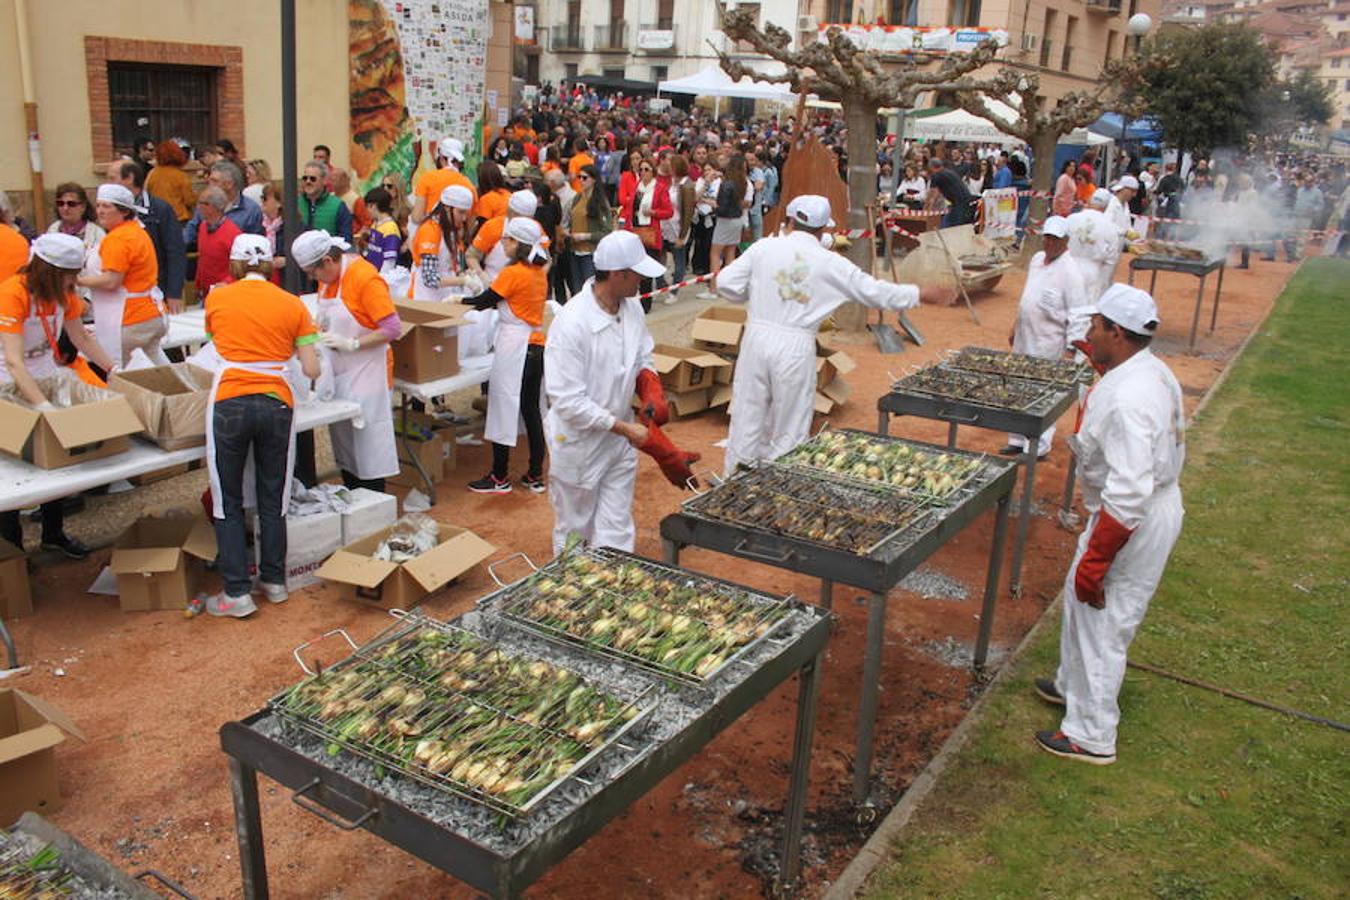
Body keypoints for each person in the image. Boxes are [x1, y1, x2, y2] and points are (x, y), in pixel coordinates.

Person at [1035, 284, 1185, 766]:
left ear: (1117, 332)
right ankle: (1070, 687)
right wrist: (1100, 367)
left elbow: (1130, 490)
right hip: (1131, 510)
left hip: (1131, 519)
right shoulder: (1142, 369)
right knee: (1082, 606)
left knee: (1103, 616)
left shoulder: (1129, 399)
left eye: (1096, 326)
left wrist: (1097, 560)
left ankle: (1091, 734)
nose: (1088, 332)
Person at [715, 196, 948, 473]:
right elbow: (872, 291)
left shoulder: (764, 248)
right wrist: (919, 293)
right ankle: (776, 490)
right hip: (794, 344)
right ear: (824, 227)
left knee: (746, 415)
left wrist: (755, 294)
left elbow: (726, 283)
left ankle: (732, 483)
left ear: (790, 220)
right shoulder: (829, 262)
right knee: (790, 425)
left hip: (757, 335)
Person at [544, 230, 699, 553]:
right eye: (638, 274)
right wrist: (627, 428)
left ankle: (614, 584)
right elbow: (568, 402)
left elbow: (643, 355)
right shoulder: (572, 324)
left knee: (616, 523)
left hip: (619, 438)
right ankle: (571, 591)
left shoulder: (631, 308)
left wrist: (651, 389)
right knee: (575, 527)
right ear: (617, 274)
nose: (643, 281)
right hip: (579, 442)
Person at [200, 234, 322, 618]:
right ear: (271, 265)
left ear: (235, 265)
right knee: (274, 496)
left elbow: (214, 342)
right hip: (276, 400)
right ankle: (274, 581)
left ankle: (236, 590)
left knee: (228, 498)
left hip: (230, 398)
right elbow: (311, 367)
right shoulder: (292, 304)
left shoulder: (217, 298)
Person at [0, 234, 119, 560]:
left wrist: (114, 368)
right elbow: (13, 360)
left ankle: (54, 532)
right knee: (13, 464)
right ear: (49, 271)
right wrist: (41, 405)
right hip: (8, 375)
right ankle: (12, 547)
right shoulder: (13, 293)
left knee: (53, 458)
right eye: (70, 274)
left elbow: (79, 335)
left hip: (44, 367)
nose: (74, 281)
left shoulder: (62, 295)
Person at [293, 230, 401, 491]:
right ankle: (353, 496)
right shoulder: (328, 280)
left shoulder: (365, 279)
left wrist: (353, 343)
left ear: (328, 262)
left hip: (369, 371)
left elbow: (392, 328)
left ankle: (374, 500)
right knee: (344, 443)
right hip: (340, 371)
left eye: (313, 272)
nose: (312, 278)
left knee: (369, 445)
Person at [464, 217, 550, 494]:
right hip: (536, 346)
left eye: (508, 240)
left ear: (519, 244)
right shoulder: (538, 271)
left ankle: (499, 476)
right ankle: (535, 473)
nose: (503, 244)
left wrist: (460, 300)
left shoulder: (514, 273)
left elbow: (485, 301)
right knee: (531, 411)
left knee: (502, 407)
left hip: (515, 345)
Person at [1001, 215, 1090, 461]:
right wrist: (1015, 325)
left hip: (1048, 341)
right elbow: (1028, 296)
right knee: (1017, 385)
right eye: (1047, 238)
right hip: (1025, 335)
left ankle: (1038, 446)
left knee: (1041, 393)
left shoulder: (1071, 272)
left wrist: (1071, 349)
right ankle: (1017, 440)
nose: (1049, 243)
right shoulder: (1037, 260)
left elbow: (1078, 314)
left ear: (1066, 241)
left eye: (1055, 239)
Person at [77, 184, 169, 367]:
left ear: (124, 211)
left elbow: (112, 281)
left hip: (128, 318)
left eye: (107, 206)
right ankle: (184, 390)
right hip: (150, 313)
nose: (100, 211)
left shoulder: (118, 239)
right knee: (158, 364)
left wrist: (77, 280)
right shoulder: (136, 231)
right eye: (98, 206)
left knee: (123, 373)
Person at [110, 160, 187, 314]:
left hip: (157, 289)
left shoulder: (159, 210)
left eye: (112, 178)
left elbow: (175, 252)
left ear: (129, 178)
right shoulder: (111, 212)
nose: (108, 184)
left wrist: (174, 293)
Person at [408, 184, 477, 301]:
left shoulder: (450, 229)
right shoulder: (430, 230)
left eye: (466, 213)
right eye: (461, 212)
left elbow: (453, 263)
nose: (464, 218)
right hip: (424, 297)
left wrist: (464, 274)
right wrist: (463, 281)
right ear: (446, 208)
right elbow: (430, 278)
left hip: (444, 295)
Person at [623, 157, 671, 305]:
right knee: (636, 267)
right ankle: (639, 299)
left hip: (651, 232)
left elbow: (669, 211)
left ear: (653, 171)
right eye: (641, 169)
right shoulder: (637, 187)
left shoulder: (660, 188)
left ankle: (646, 302)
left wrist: (654, 212)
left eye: (646, 169)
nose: (643, 172)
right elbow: (630, 209)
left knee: (647, 268)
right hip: (636, 231)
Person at [46, 183, 105, 296]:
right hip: (58, 297)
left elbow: (102, 272)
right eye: (60, 203)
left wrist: (87, 300)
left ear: (83, 207)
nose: (65, 208)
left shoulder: (97, 234)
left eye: (71, 204)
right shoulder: (52, 231)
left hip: (88, 299)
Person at [562, 163, 613, 293]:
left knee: (591, 290)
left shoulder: (600, 202)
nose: (581, 181)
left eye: (585, 178)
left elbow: (607, 231)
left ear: (594, 179)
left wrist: (585, 236)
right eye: (579, 177)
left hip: (591, 253)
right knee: (578, 290)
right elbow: (570, 220)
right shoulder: (577, 198)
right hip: (575, 251)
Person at [186, 186, 243, 300]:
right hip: (207, 293)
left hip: (226, 294)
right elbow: (202, 259)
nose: (198, 207)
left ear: (213, 207)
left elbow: (240, 268)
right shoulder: (203, 227)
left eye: (202, 203)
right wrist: (198, 285)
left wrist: (226, 283)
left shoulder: (234, 234)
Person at [181, 161, 263, 238]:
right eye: (209, 180)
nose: (209, 184)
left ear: (229, 184)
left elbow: (256, 241)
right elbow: (190, 231)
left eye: (214, 181)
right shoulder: (205, 205)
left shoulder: (251, 209)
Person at [1066, 190, 1119, 302]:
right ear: (1106, 206)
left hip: (1068, 266)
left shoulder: (1071, 219)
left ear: (1090, 200)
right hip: (1093, 272)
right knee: (1086, 307)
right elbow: (1111, 260)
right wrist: (1103, 285)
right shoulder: (1110, 227)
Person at [410, 138, 477, 226]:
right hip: (455, 238)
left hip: (430, 234)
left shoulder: (428, 178)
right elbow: (470, 223)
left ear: (441, 158)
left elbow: (416, 217)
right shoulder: (469, 186)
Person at [298, 160, 353, 242]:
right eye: (305, 178)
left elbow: (346, 239)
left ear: (324, 181)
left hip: (329, 253)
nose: (308, 181)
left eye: (313, 179)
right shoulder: (295, 204)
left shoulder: (338, 206)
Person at [145, 140, 198, 222]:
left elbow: (146, 193)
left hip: (157, 217)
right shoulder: (180, 175)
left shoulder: (152, 173)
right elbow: (189, 200)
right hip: (177, 218)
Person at [361, 187, 402, 274]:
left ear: (374, 205)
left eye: (368, 206)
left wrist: (381, 278)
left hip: (381, 278)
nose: (367, 211)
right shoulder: (375, 224)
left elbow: (389, 261)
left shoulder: (390, 228)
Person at [926, 159, 976, 226]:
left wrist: (927, 210)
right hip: (965, 200)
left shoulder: (937, 176)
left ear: (931, 167)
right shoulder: (950, 172)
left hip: (959, 203)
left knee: (952, 225)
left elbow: (933, 194)